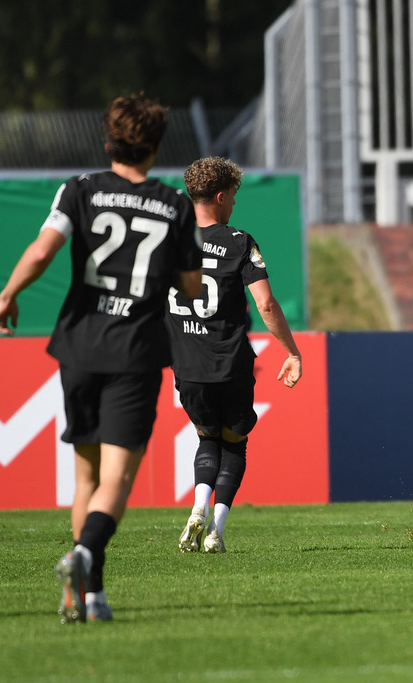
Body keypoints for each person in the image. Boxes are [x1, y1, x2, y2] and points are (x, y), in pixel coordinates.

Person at [0, 95, 203, 623]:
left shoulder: (79, 190)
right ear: (155, 149)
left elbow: (42, 251)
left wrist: (8, 294)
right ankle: (85, 556)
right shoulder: (174, 205)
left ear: (108, 143)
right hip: (135, 352)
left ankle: (88, 596)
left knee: (85, 478)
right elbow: (192, 285)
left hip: (79, 346)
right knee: (118, 480)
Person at [168, 156, 303, 554]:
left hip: (188, 368)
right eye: (234, 198)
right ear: (221, 196)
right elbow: (265, 305)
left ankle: (196, 509)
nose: (234, 207)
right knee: (235, 442)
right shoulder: (239, 241)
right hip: (230, 363)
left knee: (207, 437)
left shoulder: (168, 241)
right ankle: (216, 531)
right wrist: (292, 352)